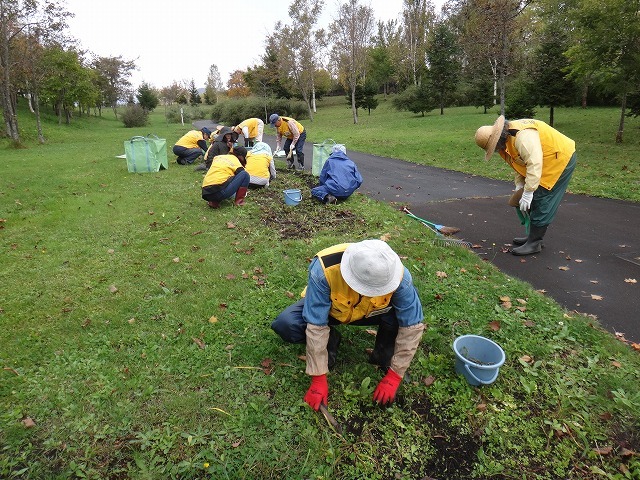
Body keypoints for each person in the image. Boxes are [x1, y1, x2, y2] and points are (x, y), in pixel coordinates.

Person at [271, 239, 425, 410]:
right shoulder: (324, 269)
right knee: (286, 324)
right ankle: (331, 339)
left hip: (373, 312)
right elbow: (316, 324)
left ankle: (383, 358)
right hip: (333, 311)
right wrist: (318, 378)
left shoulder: (399, 276)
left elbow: (412, 327)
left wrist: (395, 376)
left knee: (401, 316)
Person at [475, 115, 577, 256]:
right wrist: (519, 185)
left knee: (541, 198)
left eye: (494, 146)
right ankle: (533, 237)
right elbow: (520, 164)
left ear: (498, 138)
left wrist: (528, 192)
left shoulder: (522, 137)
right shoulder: (507, 141)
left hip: (559, 158)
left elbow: (534, 163)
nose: (496, 150)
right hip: (543, 160)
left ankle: (535, 242)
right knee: (534, 197)